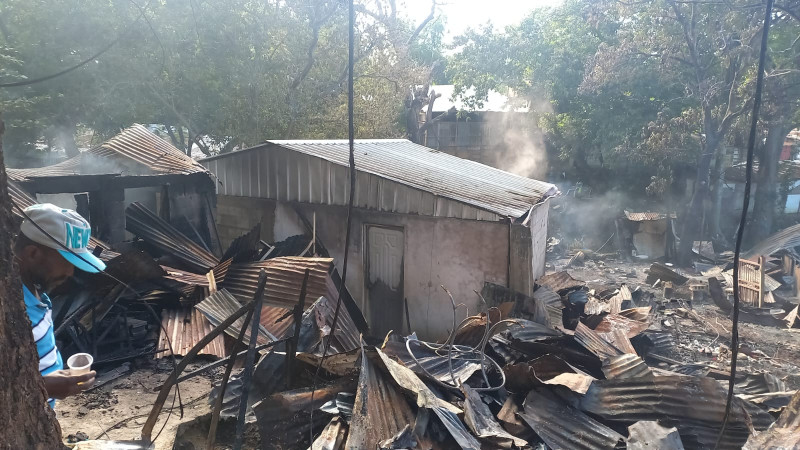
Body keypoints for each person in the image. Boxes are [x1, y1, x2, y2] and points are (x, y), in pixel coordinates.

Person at [14, 203, 107, 407]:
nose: (71, 273)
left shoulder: (37, 293)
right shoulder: (10, 310)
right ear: (32, 254)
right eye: (66, 261)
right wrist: (42, 387)